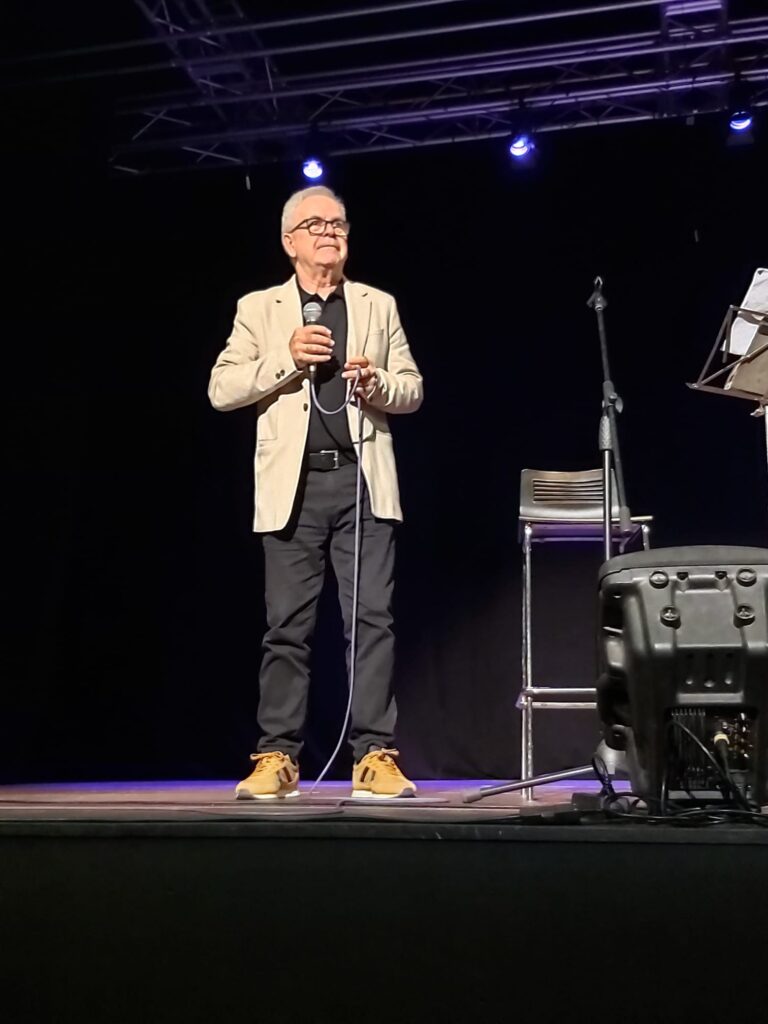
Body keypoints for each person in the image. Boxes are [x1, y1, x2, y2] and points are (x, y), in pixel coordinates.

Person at [209, 185, 423, 800]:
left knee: (372, 621)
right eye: (316, 224)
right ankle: (277, 756)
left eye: (338, 224)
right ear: (289, 241)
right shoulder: (260, 308)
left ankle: (374, 756)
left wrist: (377, 383)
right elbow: (222, 389)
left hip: (361, 482)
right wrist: (287, 358)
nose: (330, 232)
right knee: (286, 627)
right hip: (294, 485)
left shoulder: (377, 305)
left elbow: (412, 389)